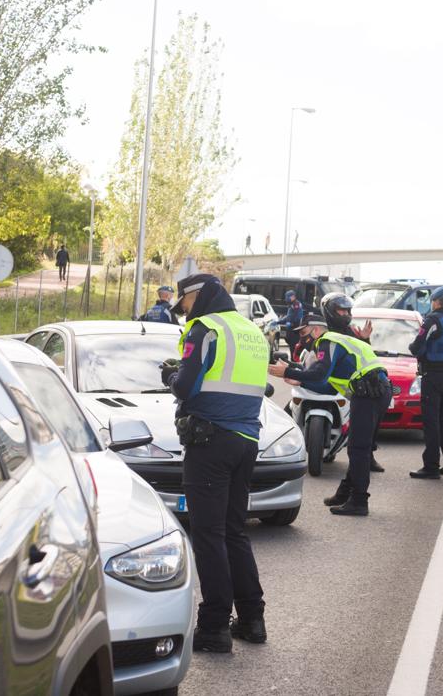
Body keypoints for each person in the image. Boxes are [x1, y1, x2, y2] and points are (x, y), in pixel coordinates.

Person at [161, 273, 270, 653]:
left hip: (210, 441)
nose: (184, 313)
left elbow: (185, 385)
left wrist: (170, 375)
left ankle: (214, 629)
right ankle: (253, 619)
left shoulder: (205, 328)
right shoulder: (251, 332)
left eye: (184, 304)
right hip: (247, 440)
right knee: (234, 531)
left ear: (198, 295)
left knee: (208, 536)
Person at [270, 311, 390, 516]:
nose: (302, 337)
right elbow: (326, 385)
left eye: (304, 331)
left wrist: (288, 372)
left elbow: (319, 373)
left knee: (358, 449)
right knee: (358, 446)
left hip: (369, 392)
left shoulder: (327, 341)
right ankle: (345, 493)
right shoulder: (336, 344)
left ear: (316, 330)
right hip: (375, 390)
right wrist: (300, 378)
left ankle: (359, 502)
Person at [320, 292, 383, 472]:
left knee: (369, 423)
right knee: (289, 407)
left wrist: (364, 338)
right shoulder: (321, 329)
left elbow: (364, 354)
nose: (346, 314)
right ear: (330, 311)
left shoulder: (351, 331)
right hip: (325, 382)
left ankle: (368, 456)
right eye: (341, 310)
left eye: (348, 310)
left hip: (352, 386)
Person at [408, 286, 443, 480]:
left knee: (431, 422)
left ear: (437, 302)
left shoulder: (433, 320)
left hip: (434, 376)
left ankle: (431, 466)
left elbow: (417, 346)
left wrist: (414, 348)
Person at [279, 289, 305, 358]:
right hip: (291, 330)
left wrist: (291, 323)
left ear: (293, 297)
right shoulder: (291, 305)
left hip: (294, 330)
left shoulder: (296, 304)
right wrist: (279, 321)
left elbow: (298, 317)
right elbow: (288, 316)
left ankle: (294, 364)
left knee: (294, 348)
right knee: (291, 347)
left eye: (288, 297)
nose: (286, 299)